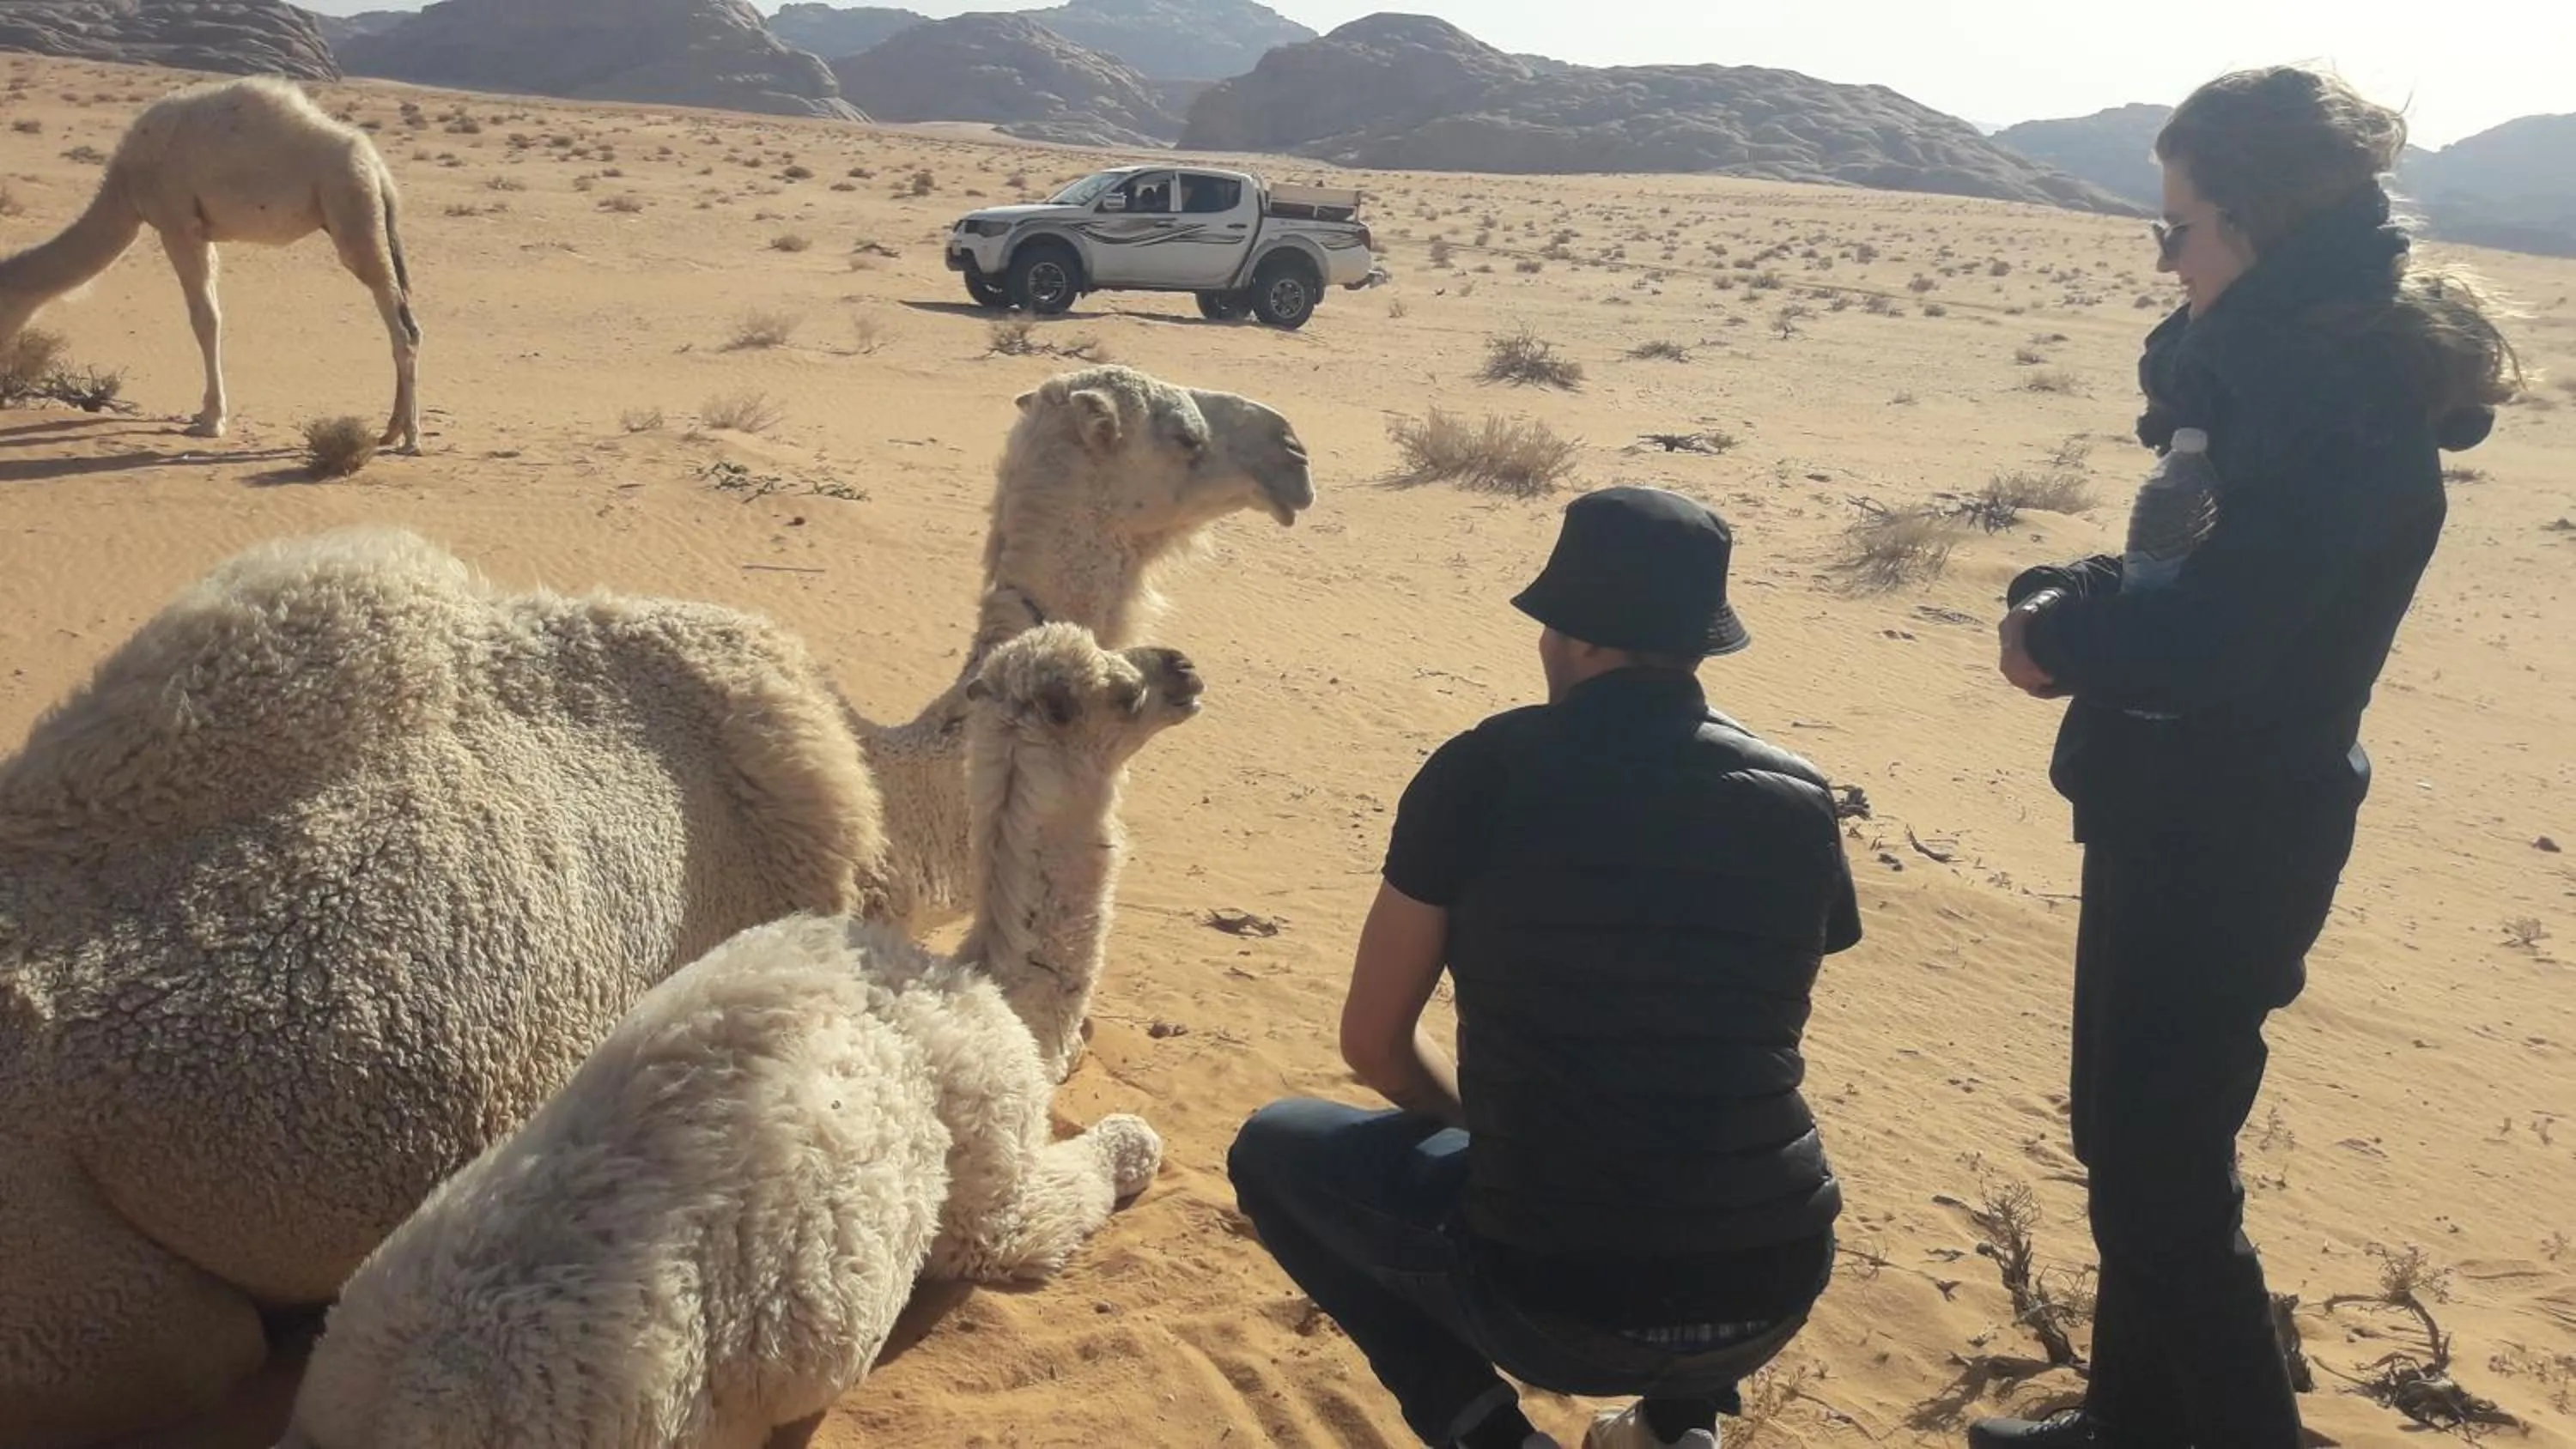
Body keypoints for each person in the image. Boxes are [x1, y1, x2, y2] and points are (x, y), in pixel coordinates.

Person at [1979, 65, 2521, 1449]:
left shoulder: (2329, 405)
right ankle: (2126, 1423)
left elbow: (2216, 644)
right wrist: (2072, 591)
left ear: (2258, 226)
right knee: (2137, 1151)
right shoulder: (2277, 379)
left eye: (2178, 227)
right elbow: (2184, 580)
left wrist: (2064, 641)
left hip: (2230, 825)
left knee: (2157, 1171)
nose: (2163, 259)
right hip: (2180, 803)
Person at [1227, 486, 1863, 1449]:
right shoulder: (1801, 795)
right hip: (1777, 1280)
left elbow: (1374, 1045)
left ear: (1569, 633)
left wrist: (1491, 1129)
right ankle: (1680, 1423)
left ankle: (1487, 1431)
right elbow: (1734, 1024)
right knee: (1711, 1144)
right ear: (1699, 644)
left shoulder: (1483, 770)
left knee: (1273, 1150)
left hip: (1552, 1297)